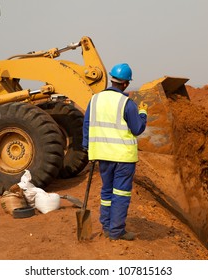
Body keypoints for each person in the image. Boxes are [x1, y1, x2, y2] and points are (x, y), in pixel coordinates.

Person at [82, 63, 148, 241]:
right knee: (121, 194)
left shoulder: (94, 100)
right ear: (126, 83)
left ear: (111, 79)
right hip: (123, 158)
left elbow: (87, 125)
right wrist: (143, 113)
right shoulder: (127, 103)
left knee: (107, 192)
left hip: (102, 155)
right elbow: (137, 128)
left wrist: (87, 146)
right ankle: (116, 231)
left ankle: (106, 226)